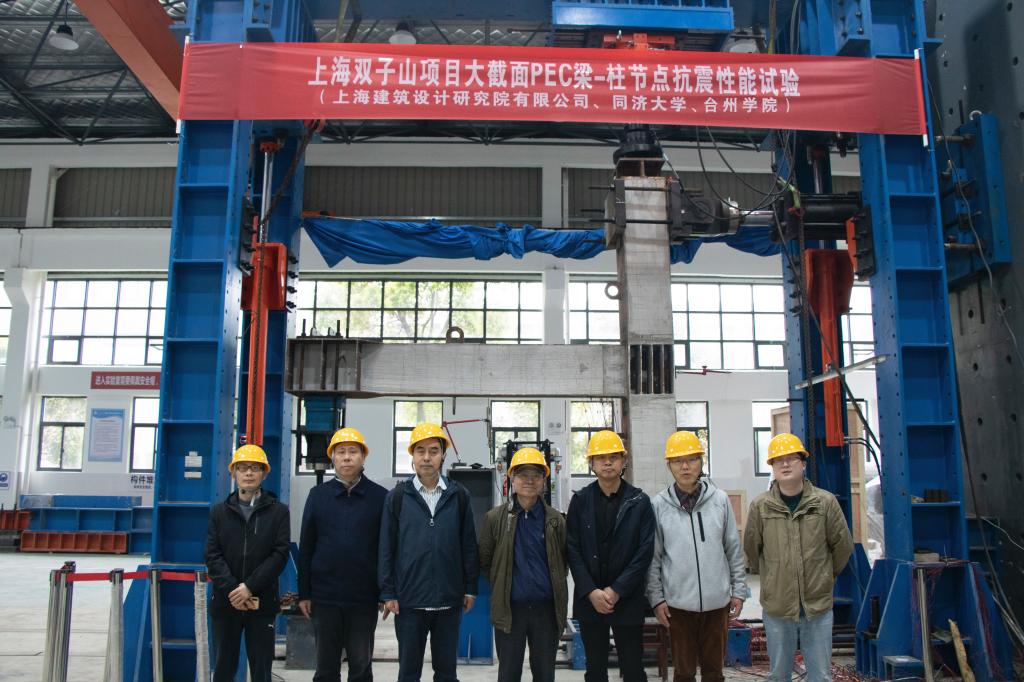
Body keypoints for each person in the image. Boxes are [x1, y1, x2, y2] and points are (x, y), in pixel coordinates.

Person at [744, 433, 854, 682]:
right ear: (772, 466)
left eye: (791, 458)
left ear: (803, 463)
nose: (785, 464)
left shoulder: (824, 503)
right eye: (778, 460)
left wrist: (825, 575)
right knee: (778, 675)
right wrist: (774, 577)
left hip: (816, 606)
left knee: (821, 676)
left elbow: (842, 547)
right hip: (778, 606)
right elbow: (752, 550)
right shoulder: (761, 506)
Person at [378, 422, 479, 682]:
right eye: (420, 451)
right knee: (408, 673)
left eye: (433, 451)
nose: (426, 457)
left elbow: (468, 545)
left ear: (443, 455)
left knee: (446, 674)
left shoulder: (459, 496)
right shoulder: (397, 497)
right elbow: (386, 549)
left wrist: (470, 588)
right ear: (412, 455)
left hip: (449, 600)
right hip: (409, 602)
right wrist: (388, 592)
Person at [647, 431, 749, 682]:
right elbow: (654, 559)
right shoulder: (659, 505)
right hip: (678, 607)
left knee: (714, 673)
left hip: (717, 605)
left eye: (691, 459)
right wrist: (657, 599)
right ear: (669, 465)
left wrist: (738, 591)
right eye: (677, 461)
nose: (685, 467)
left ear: (701, 462)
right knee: (683, 673)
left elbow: (733, 549)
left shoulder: (720, 500)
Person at [298, 427, 388, 682]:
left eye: (353, 452)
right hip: (325, 597)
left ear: (363, 457)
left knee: (360, 667)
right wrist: (304, 593)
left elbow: (386, 549)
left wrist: (386, 590)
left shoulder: (380, 497)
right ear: (332, 458)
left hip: (363, 598)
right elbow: (307, 547)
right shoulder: (318, 496)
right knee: (326, 668)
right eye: (341, 452)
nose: (347, 457)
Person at [566, 430, 655, 682]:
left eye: (614, 457)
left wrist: (617, 590)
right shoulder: (580, 501)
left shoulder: (639, 501)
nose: (607, 462)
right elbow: (572, 549)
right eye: (600, 457)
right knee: (595, 670)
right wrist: (590, 591)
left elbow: (644, 552)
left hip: (627, 599)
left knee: (633, 670)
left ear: (623, 461)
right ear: (591, 464)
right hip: (590, 600)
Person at [479, 447, 568, 682]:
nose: (529, 480)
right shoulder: (494, 518)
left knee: (545, 675)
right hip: (510, 611)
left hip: (546, 611)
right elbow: (486, 561)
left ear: (543, 481)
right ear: (512, 478)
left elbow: (563, 561)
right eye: (522, 475)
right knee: (508, 674)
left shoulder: (555, 520)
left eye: (536, 475)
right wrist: (503, 583)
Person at [205, 444, 291, 682]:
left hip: (262, 603)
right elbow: (212, 555)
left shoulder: (279, 512)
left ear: (264, 473)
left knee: (262, 670)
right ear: (233, 473)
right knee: (223, 669)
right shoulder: (219, 512)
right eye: (243, 468)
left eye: (255, 468)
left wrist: (250, 587)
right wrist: (234, 589)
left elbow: (279, 554)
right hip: (226, 602)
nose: (249, 473)